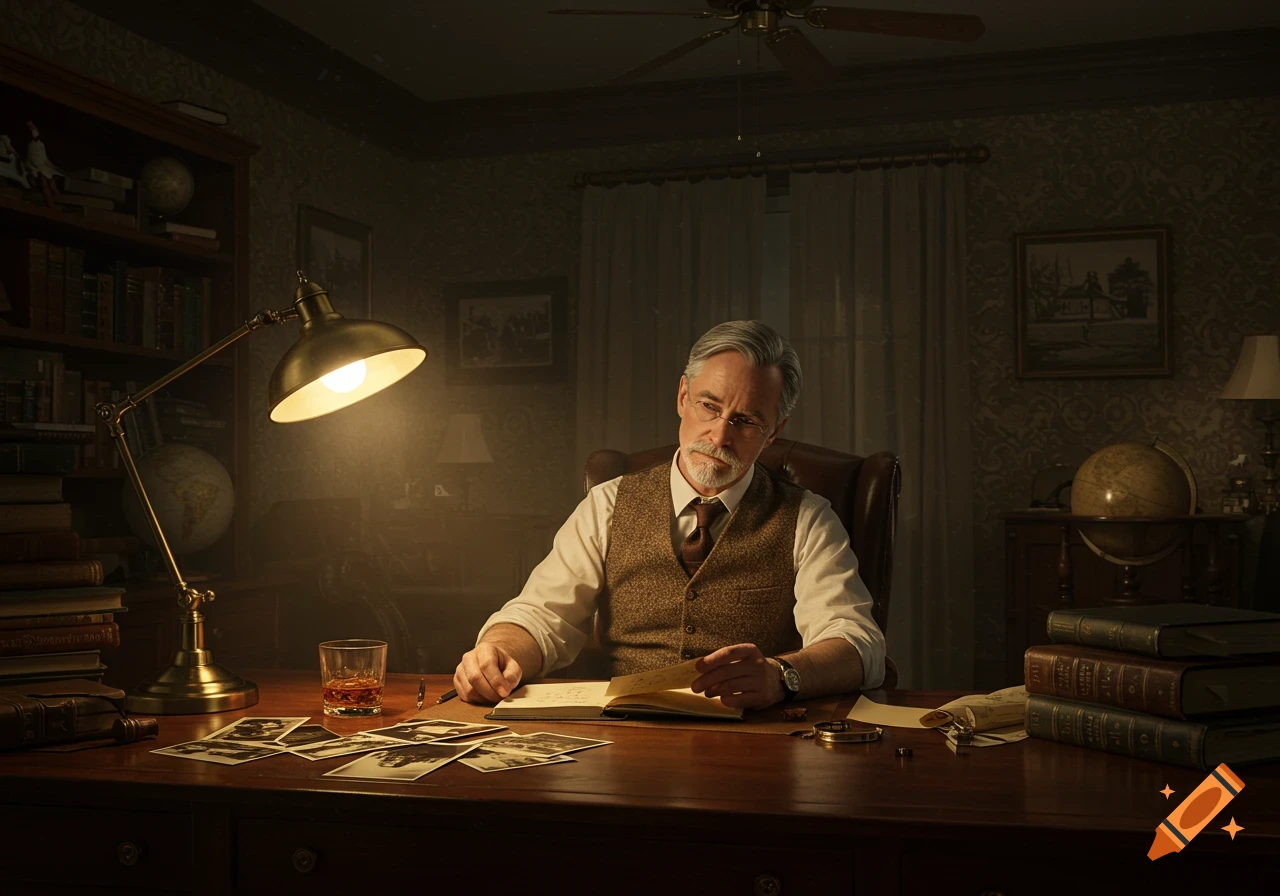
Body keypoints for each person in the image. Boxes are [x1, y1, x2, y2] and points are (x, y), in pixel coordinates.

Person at [454, 320, 886, 709]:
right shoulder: (608, 504)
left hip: (756, 745)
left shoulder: (808, 519)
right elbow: (542, 616)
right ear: (683, 397)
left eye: (747, 421)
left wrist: (782, 675)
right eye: (709, 407)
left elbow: (857, 643)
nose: (719, 435)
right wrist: (498, 652)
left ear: (773, 431)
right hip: (621, 744)